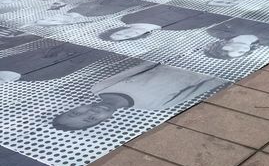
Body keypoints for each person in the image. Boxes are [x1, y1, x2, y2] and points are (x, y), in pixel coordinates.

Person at [52, 61, 226, 131]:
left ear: (74, 107)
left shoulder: (100, 86)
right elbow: (212, 82)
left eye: (76, 113)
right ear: (104, 120)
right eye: (90, 119)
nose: (91, 112)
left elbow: (146, 63)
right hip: (213, 65)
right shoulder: (155, 105)